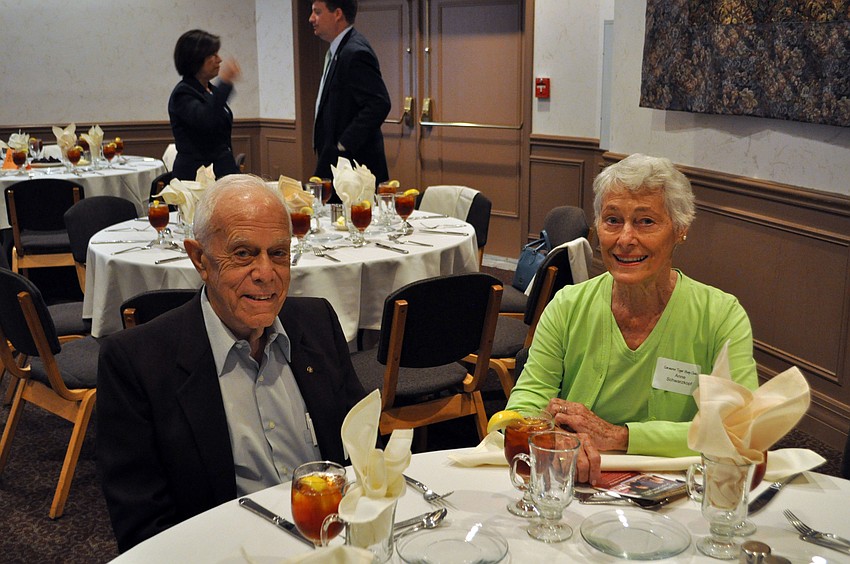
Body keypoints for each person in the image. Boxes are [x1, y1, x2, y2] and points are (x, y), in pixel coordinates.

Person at [97, 175, 366, 552]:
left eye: (278, 253)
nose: (265, 273)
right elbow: (145, 532)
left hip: (334, 543)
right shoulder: (137, 363)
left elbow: (363, 454)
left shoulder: (317, 323)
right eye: (243, 254)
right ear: (200, 260)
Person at [506, 153, 757, 485]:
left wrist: (621, 436)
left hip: (683, 488)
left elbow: (739, 427)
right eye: (612, 220)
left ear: (680, 230)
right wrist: (554, 441)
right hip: (576, 481)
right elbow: (525, 404)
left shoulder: (720, 316)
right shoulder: (567, 306)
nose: (625, 239)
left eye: (645, 222)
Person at [310, 0, 391, 195]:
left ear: (337, 14)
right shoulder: (339, 50)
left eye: (317, 12)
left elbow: (379, 103)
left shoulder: (355, 52)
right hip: (338, 163)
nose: (311, 19)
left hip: (354, 169)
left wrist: (343, 144)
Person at [168, 29, 242, 181]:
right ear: (196, 59)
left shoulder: (210, 90)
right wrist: (225, 82)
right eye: (213, 55)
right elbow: (207, 119)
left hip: (222, 171)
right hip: (196, 178)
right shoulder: (183, 94)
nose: (219, 59)